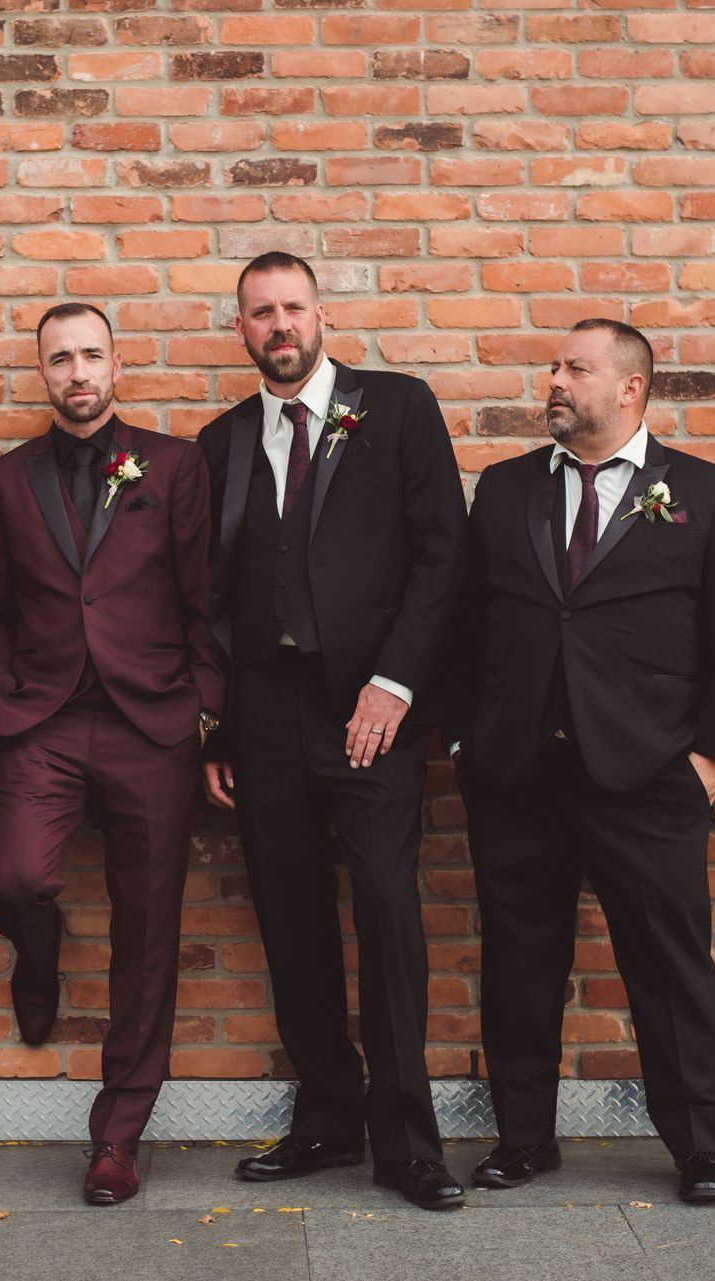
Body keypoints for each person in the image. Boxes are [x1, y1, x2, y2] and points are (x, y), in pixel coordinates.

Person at [445, 319, 715, 1204]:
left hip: (652, 774)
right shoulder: (505, 489)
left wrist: (710, 761)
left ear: (629, 388)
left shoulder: (706, 493)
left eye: (574, 369)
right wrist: (470, 736)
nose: (554, 380)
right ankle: (522, 1138)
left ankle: (701, 1146)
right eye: (555, 367)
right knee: (517, 962)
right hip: (519, 775)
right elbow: (469, 622)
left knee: (670, 967)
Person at [198, 253, 469, 1211]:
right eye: (261, 312)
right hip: (266, 712)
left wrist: (393, 686)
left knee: (388, 906)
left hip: (372, 711)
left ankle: (407, 1141)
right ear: (241, 330)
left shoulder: (396, 407)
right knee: (289, 911)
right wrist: (219, 728)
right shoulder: (220, 439)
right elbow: (212, 597)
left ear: (322, 316)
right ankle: (325, 1115)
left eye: (294, 307)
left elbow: (445, 556)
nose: (280, 324)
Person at [0, 302, 227, 1204]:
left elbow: (204, 595)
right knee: (16, 881)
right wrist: (0, 690)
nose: (77, 372)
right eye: (59, 359)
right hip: (41, 720)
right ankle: (35, 953)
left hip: (150, 722)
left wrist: (207, 710)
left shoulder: (174, 464)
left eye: (90, 355)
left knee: (147, 934)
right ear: (42, 373)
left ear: (117, 363)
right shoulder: (6, 482)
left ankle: (116, 1135)